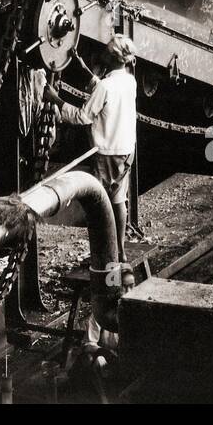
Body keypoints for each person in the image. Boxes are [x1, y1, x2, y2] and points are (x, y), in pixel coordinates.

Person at [47, 35, 138, 263]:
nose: (103, 53)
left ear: (114, 56)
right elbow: (105, 89)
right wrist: (83, 68)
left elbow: (82, 117)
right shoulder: (129, 81)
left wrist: (54, 98)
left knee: (99, 204)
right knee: (119, 200)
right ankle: (120, 251)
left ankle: (103, 255)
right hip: (126, 150)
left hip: (105, 154)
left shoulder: (106, 87)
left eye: (107, 51)